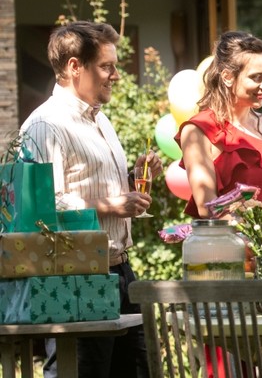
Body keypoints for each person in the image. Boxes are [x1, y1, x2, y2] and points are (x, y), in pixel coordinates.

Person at [21, 21, 161, 378]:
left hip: (120, 271)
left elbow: (91, 186)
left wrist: (133, 179)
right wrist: (110, 204)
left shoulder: (101, 119)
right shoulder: (45, 125)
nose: (116, 75)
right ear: (74, 67)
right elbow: (39, 208)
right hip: (75, 278)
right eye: (106, 66)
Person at [177, 31, 262, 219]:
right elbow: (207, 207)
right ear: (227, 77)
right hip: (231, 237)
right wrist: (255, 231)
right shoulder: (197, 131)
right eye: (256, 77)